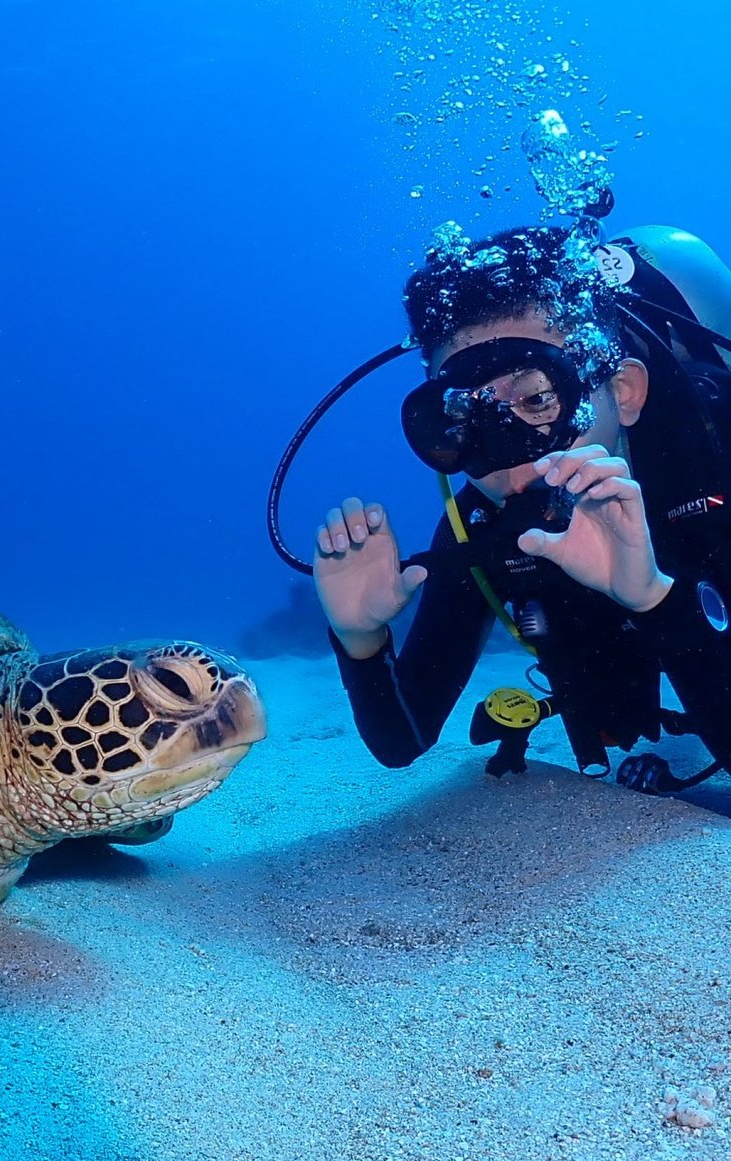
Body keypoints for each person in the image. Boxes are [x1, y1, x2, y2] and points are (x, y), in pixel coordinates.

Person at [313, 221, 731, 788]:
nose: (513, 465)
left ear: (624, 391)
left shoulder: (714, 457)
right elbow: (400, 740)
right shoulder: (483, 523)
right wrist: (360, 643)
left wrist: (653, 597)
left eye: (538, 399)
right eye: (467, 418)